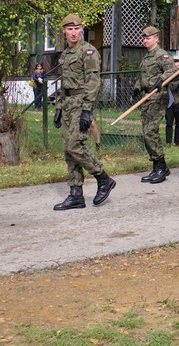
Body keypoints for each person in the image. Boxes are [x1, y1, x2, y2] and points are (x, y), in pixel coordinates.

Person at [53, 14, 116, 211]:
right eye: (69, 29)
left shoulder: (88, 52)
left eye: (76, 28)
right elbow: (65, 85)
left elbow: (93, 83)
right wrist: (58, 107)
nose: (73, 32)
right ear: (64, 30)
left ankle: (103, 178)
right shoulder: (66, 54)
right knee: (68, 150)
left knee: (74, 146)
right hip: (67, 105)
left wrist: (87, 111)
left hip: (82, 104)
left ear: (81, 29)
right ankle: (76, 194)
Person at [134, 26, 179, 184]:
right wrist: (137, 87)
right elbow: (143, 76)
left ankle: (161, 166)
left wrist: (162, 78)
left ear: (156, 38)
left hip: (158, 96)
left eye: (148, 38)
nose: (145, 40)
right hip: (147, 97)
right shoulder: (146, 57)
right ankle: (157, 166)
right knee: (147, 132)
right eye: (144, 38)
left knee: (150, 131)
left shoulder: (162, 55)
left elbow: (172, 71)